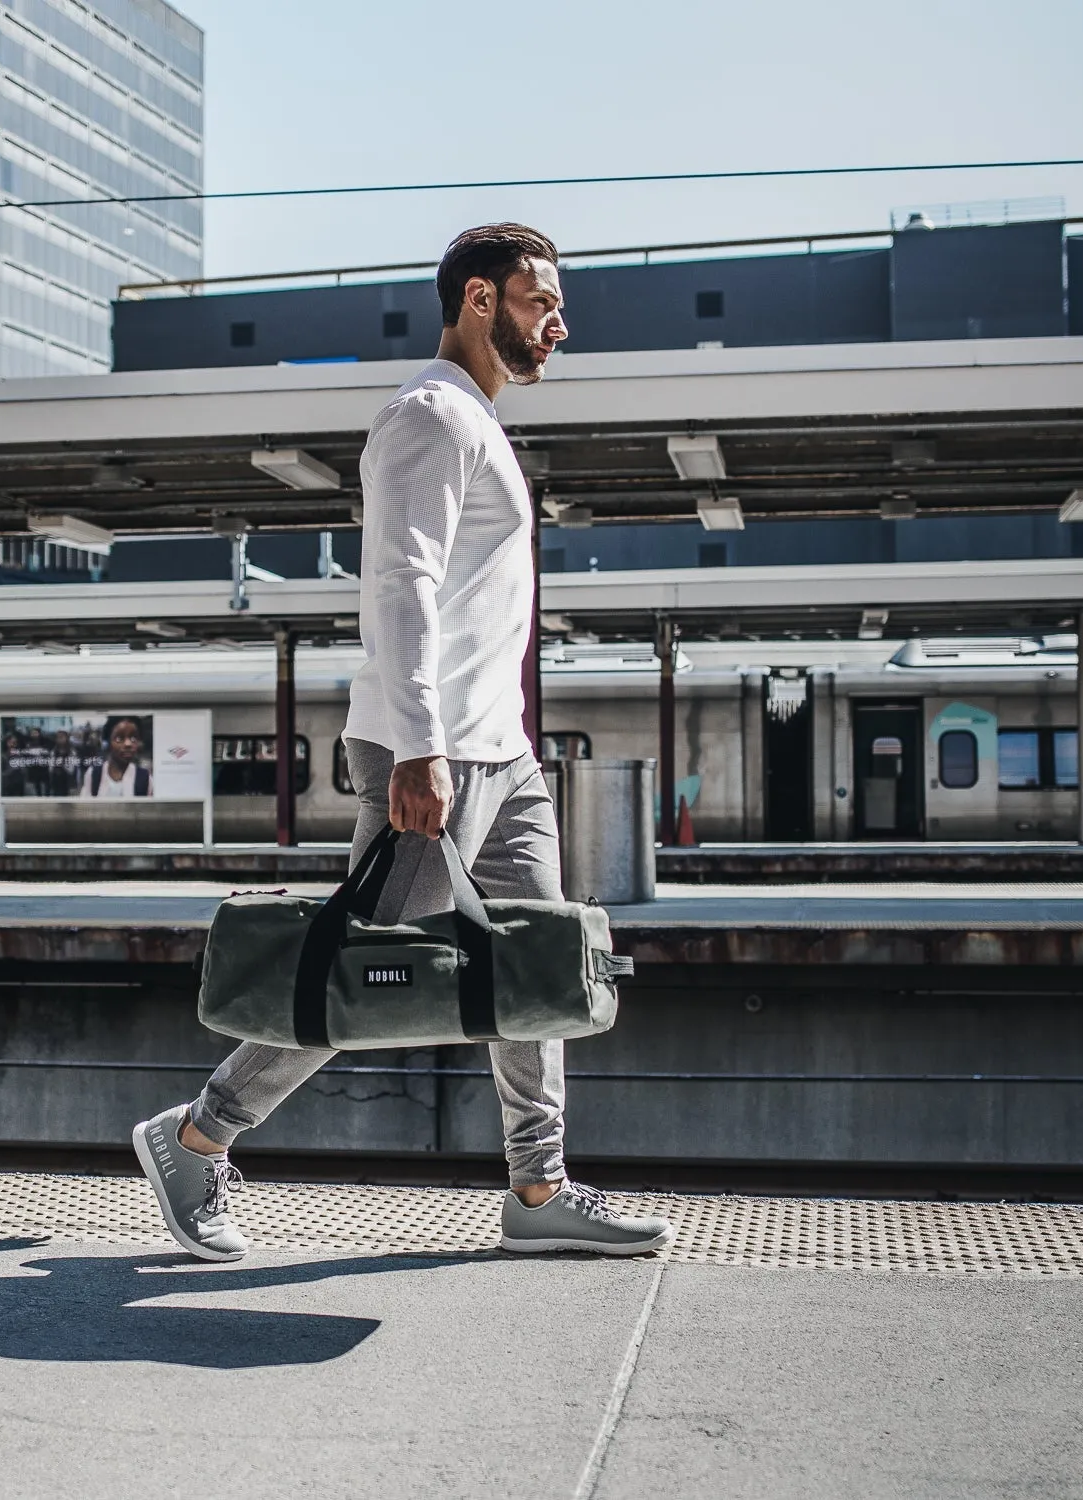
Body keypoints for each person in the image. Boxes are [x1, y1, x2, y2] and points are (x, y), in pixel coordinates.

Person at [134, 224, 672, 1262]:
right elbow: (402, 582)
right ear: (479, 300)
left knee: (538, 971)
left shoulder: (478, 421)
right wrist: (423, 748)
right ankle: (197, 1138)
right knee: (353, 975)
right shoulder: (431, 416)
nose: (559, 324)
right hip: (433, 755)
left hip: (501, 757)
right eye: (538, 302)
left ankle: (538, 1185)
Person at [80, 716, 152, 797]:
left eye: (133, 738)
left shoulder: (145, 778)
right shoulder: (94, 774)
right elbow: (85, 807)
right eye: (119, 738)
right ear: (108, 743)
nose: (128, 744)